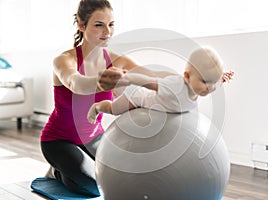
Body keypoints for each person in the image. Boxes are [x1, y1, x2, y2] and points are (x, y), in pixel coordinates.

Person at [40, 0, 144, 197]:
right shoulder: (64, 59)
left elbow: (152, 74)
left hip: (95, 137)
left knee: (124, 177)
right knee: (93, 187)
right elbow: (75, 82)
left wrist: (195, 79)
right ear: (81, 25)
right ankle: (57, 170)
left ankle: (69, 169)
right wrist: (100, 82)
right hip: (59, 140)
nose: (107, 31)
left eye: (111, 24)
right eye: (99, 24)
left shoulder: (116, 59)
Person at [87, 46, 234, 123]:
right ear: (187, 76)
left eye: (213, 82)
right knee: (114, 109)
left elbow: (212, 84)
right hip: (138, 97)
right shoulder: (176, 85)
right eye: (205, 81)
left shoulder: (204, 88)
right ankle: (97, 107)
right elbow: (148, 83)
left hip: (159, 103)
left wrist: (220, 80)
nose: (210, 88)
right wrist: (128, 79)